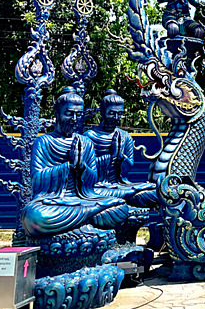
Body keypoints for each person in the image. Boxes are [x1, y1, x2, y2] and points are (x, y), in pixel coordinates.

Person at [21, 87, 133, 238]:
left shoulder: (85, 142)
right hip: (53, 203)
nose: (74, 119)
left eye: (78, 114)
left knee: (120, 207)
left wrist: (82, 167)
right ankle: (87, 220)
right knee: (34, 217)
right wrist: (68, 166)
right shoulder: (44, 141)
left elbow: (93, 181)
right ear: (57, 114)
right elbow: (37, 178)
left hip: (82, 199)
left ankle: (83, 218)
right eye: (69, 113)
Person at [84, 90, 157, 207]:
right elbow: (86, 171)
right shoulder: (89, 136)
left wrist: (120, 157)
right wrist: (111, 156)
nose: (116, 117)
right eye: (112, 113)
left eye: (120, 113)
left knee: (154, 192)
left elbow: (127, 168)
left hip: (120, 185)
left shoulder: (125, 136)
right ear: (102, 112)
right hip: (98, 188)